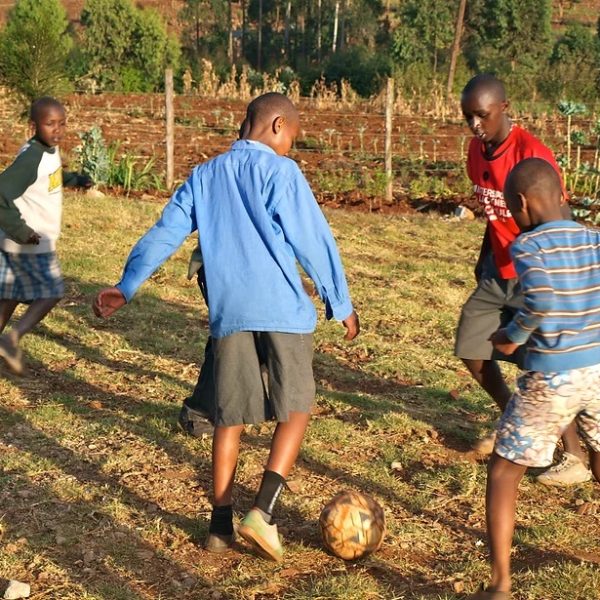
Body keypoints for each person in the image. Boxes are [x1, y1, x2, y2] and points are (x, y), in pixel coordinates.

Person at [92, 92, 359, 561]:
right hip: (282, 308)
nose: (292, 145)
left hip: (229, 310)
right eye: (293, 135)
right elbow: (313, 239)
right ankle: (264, 511)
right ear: (278, 126)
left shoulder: (204, 174)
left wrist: (127, 283)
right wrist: (340, 301)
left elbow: (166, 231)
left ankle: (219, 526)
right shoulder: (282, 172)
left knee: (229, 417)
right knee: (295, 407)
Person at [470, 157, 600, 599]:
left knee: (505, 470)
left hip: (554, 375)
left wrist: (512, 334)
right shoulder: (593, 237)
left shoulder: (528, 247)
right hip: (599, 369)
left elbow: (541, 301)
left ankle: (501, 584)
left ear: (522, 203)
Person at [454, 74, 590, 486]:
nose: (475, 125)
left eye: (482, 115)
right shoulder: (476, 152)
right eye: (468, 117)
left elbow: (558, 220)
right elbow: (493, 214)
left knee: (544, 363)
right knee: (471, 347)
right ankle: (516, 420)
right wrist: (484, 262)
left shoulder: (533, 156)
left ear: (504, 108)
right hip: (498, 271)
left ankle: (575, 457)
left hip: (537, 274)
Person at [0, 97, 92, 375]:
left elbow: (49, 177)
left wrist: (74, 179)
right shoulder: (32, 157)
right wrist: (20, 230)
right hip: (32, 241)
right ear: (33, 125)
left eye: (62, 124)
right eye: (50, 124)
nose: (58, 130)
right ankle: (12, 339)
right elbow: (2, 191)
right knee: (52, 292)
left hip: (16, 241)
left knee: (8, 296)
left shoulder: (46, 151)